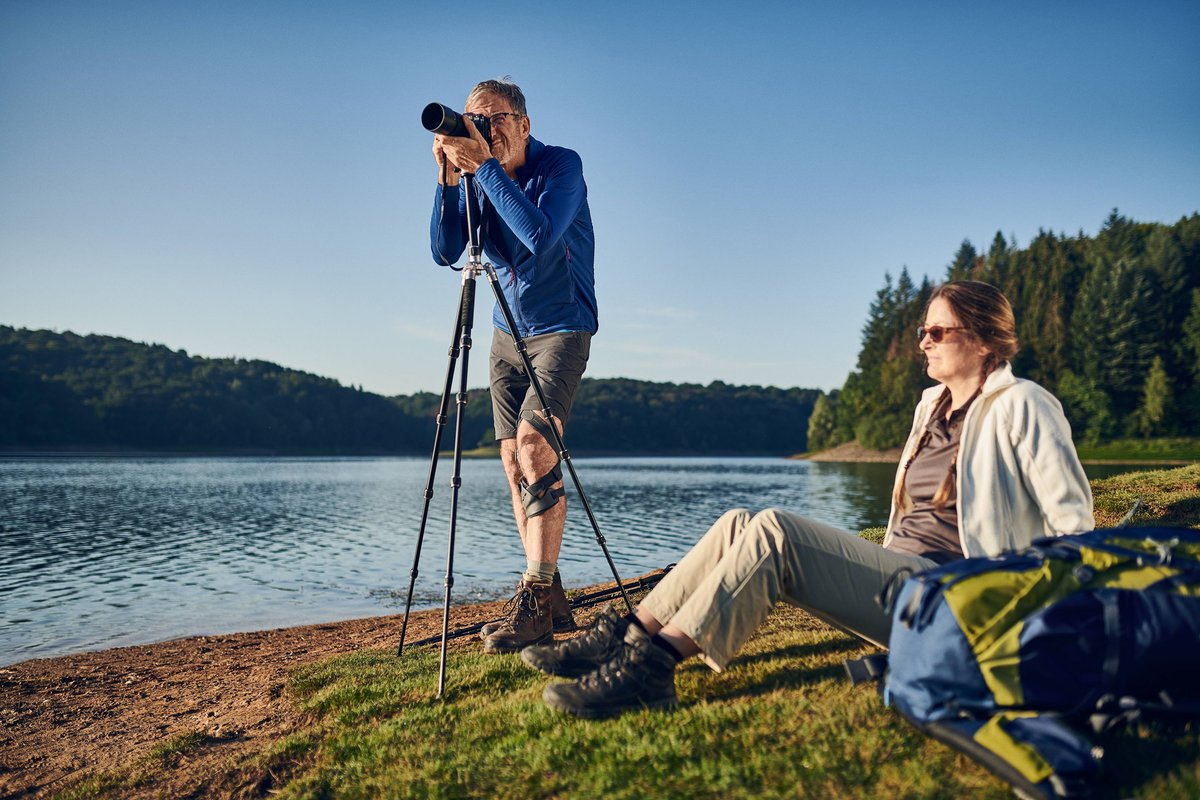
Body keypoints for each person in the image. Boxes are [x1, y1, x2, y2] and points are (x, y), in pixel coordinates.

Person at [522, 280, 1095, 717]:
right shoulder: (931, 406)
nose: (923, 339)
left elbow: (1076, 531)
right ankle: (631, 634)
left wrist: (1025, 627)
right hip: (906, 578)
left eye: (938, 331)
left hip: (955, 601)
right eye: (924, 329)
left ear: (985, 338)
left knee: (775, 529)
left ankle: (655, 666)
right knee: (738, 521)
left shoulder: (1024, 405)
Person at [429, 78, 597, 654]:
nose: (485, 129)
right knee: (509, 461)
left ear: (524, 122)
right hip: (507, 335)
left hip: (562, 327)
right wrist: (450, 177)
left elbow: (538, 235)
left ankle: (532, 600)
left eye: (496, 118)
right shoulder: (478, 176)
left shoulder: (561, 167)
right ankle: (547, 595)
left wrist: (486, 169)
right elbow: (445, 250)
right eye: (475, 119)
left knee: (534, 449)